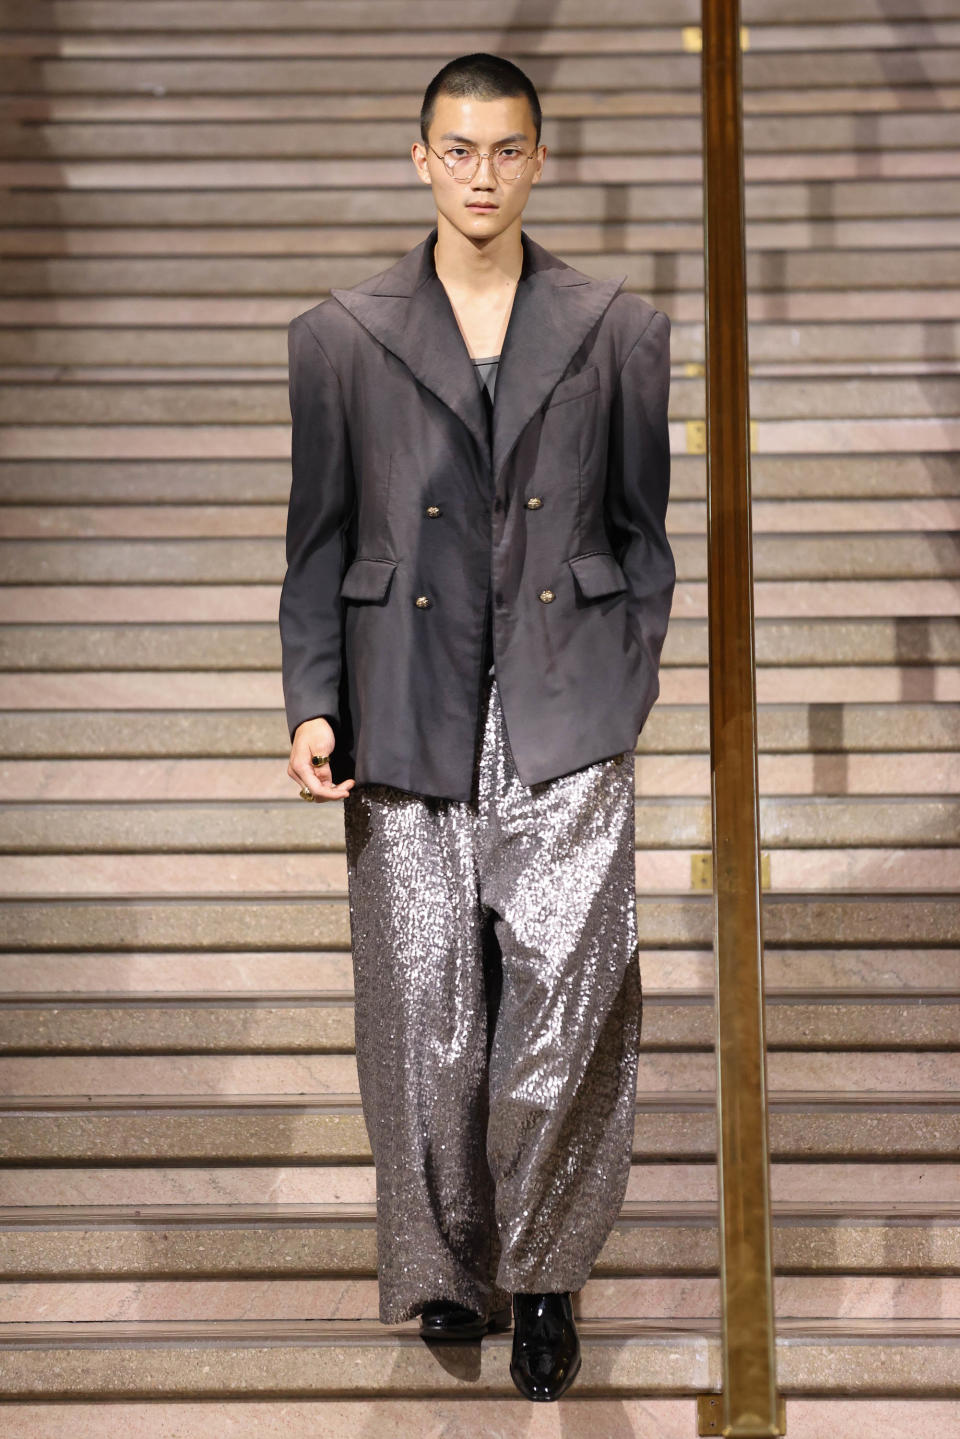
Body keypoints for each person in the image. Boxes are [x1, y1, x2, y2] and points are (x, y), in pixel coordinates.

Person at [279, 52, 675, 1403]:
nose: (483, 175)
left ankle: (550, 1275)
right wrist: (314, 697)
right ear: (421, 159)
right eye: (459, 149)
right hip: (407, 698)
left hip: (566, 703)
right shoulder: (339, 335)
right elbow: (318, 540)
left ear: (540, 161)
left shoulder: (617, 327)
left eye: (507, 150)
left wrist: (629, 676)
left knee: (566, 1003)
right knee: (425, 1011)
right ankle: (448, 1263)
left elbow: (644, 529)